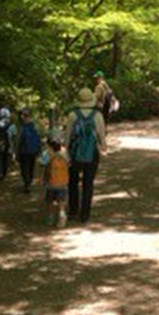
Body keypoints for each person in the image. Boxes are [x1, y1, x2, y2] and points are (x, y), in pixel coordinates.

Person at [65, 88, 107, 224]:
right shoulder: (97, 115)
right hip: (91, 152)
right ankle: (85, 215)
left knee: (73, 182)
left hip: (75, 152)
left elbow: (68, 136)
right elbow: (102, 135)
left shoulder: (72, 115)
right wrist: (103, 147)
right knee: (88, 183)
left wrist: (66, 151)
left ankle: (72, 211)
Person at [38, 132, 69, 227]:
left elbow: (42, 166)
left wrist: (41, 179)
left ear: (49, 145)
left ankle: (50, 218)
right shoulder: (64, 153)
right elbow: (69, 164)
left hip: (50, 183)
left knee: (50, 202)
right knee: (61, 203)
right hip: (63, 182)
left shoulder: (46, 154)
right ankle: (62, 218)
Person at [16, 108, 41, 193]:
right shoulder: (35, 125)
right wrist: (39, 149)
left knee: (24, 167)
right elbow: (39, 137)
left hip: (23, 150)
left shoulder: (21, 126)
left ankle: (27, 183)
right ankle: (29, 181)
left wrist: (16, 151)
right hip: (33, 150)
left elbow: (18, 139)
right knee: (31, 166)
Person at [0, 107, 14, 180]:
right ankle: (4, 174)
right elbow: (12, 134)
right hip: (6, 142)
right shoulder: (10, 124)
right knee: (5, 158)